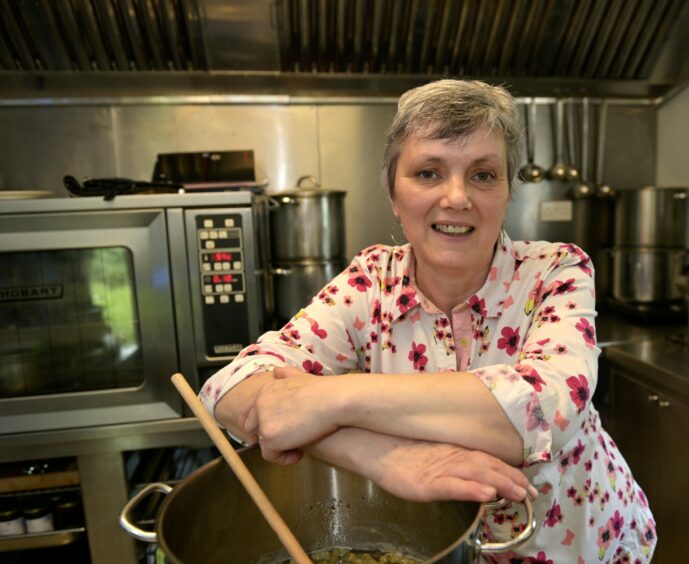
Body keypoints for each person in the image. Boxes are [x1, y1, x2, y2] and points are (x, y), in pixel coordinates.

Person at [200, 79, 656, 562]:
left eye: (483, 175)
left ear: (506, 194)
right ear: (394, 196)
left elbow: (546, 409)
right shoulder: (370, 282)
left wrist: (329, 398)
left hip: (578, 546)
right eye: (428, 173)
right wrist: (383, 457)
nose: (457, 197)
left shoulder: (556, 270)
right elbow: (230, 388)